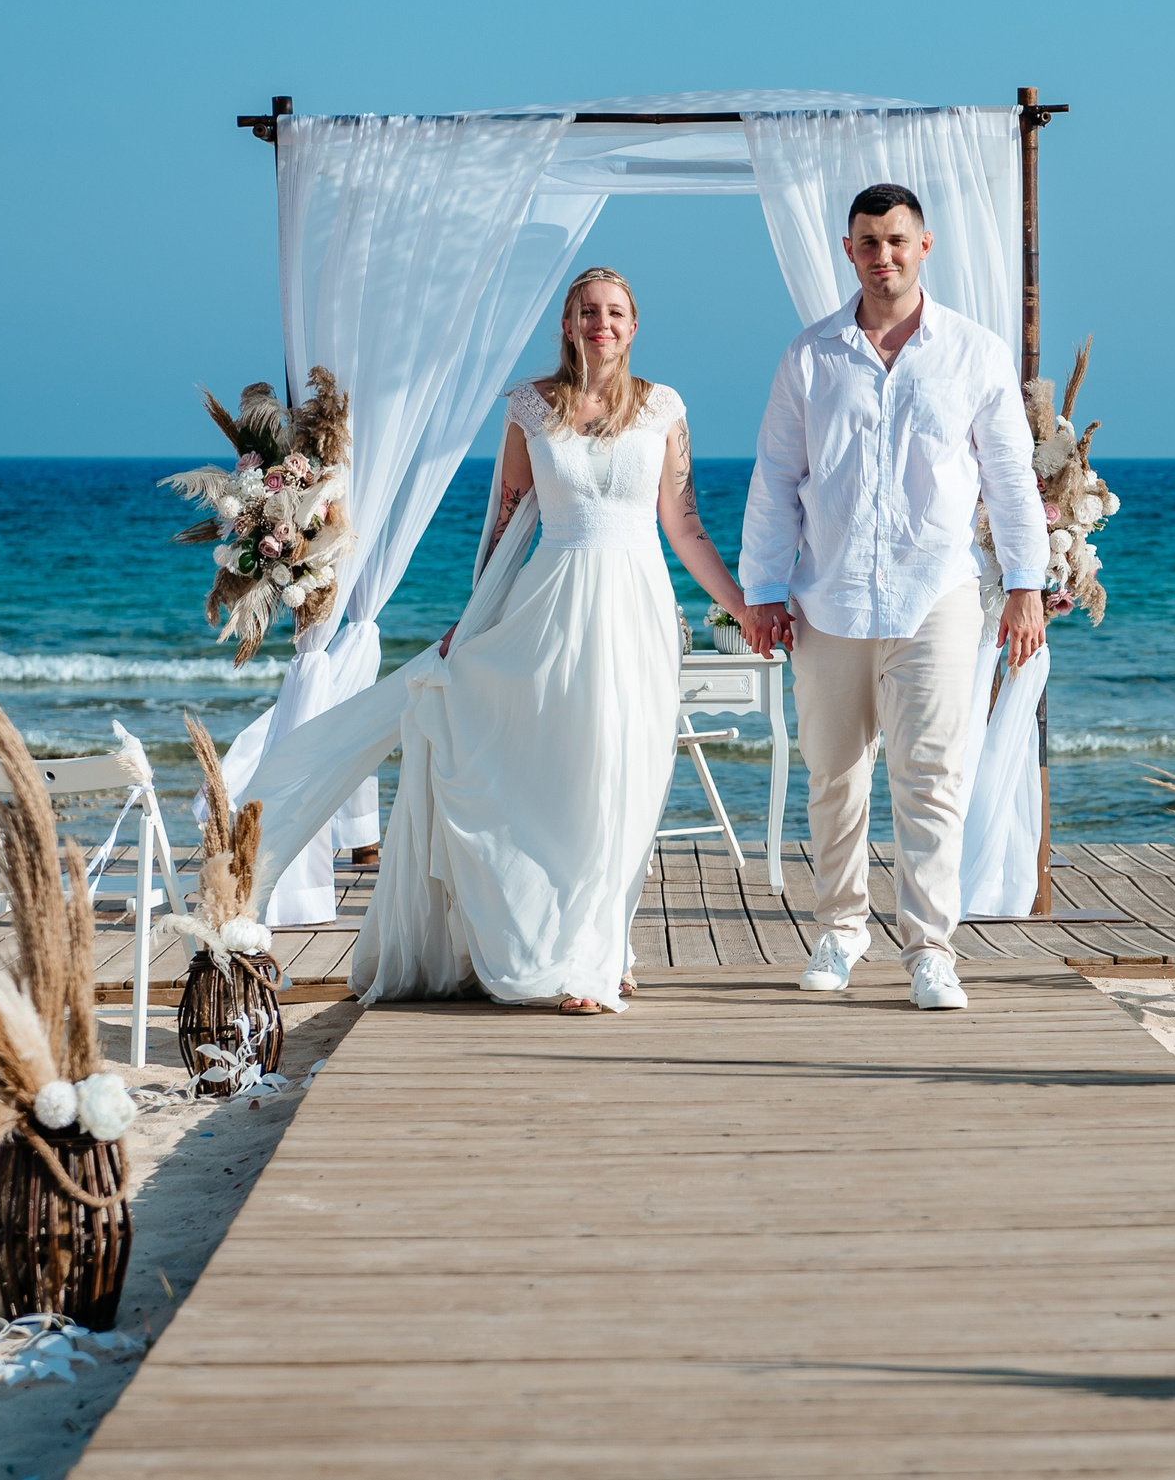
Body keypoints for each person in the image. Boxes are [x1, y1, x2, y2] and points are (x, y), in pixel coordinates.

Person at [346, 268, 749, 1014]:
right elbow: (504, 526)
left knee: (625, 778)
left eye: (616, 312)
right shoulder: (531, 407)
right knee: (563, 782)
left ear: (635, 324)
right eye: (587, 311)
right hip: (552, 605)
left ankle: (604, 950)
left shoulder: (663, 408)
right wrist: (471, 621)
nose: (602, 323)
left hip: (637, 607)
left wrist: (742, 606)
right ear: (567, 323)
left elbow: (684, 526)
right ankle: (569, 951)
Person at [739, 184, 1049, 1011]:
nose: (885, 255)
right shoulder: (809, 357)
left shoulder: (975, 353)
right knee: (835, 774)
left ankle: (930, 949)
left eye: (898, 240)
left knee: (933, 774)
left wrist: (1026, 584)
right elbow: (776, 479)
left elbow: (1011, 478)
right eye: (869, 242)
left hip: (937, 590)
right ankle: (839, 931)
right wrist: (764, 589)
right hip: (827, 595)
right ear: (850, 252)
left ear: (926, 245)